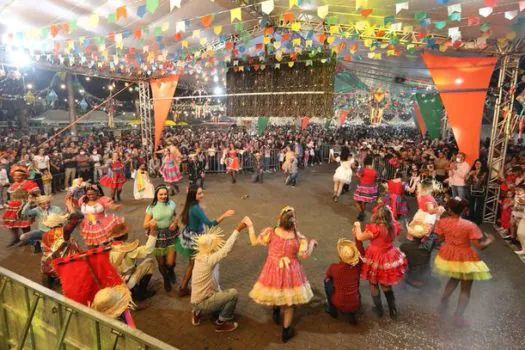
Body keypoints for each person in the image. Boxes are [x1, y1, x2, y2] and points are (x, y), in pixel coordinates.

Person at [248, 206, 317, 343]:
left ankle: (275, 310)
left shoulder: (271, 232)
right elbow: (305, 255)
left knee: (276, 288)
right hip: (291, 270)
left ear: (280, 219)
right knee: (289, 302)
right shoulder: (298, 237)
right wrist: (312, 244)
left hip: (272, 268)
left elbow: (254, 241)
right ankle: (286, 331)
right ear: (293, 221)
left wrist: (250, 226)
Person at [434, 198, 493, 326]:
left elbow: (440, 238)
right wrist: (489, 240)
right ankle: (458, 316)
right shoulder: (469, 225)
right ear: (464, 210)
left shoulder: (442, 222)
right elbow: (480, 246)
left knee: (454, 279)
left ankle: (442, 303)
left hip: (449, 255)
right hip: (465, 257)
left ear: (449, 209)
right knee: (465, 288)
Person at [191, 218, 253, 332]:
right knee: (233, 294)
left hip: (196, 299)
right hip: (203, 301)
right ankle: (221, 323)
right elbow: (226, 249)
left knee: (218, 290)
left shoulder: (199, 256)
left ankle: (196, 312)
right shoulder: (209, 260)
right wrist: (237, 229)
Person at [177, 185, 235, 297]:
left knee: (193, 264)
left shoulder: (191, 205)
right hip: (196, 239)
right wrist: (224, 215)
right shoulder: (195, 208)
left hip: (190, 235)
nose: (202, 195)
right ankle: (190, 288)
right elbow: (210, 224)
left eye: (201, 192)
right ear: (193, 195)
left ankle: (184, 287)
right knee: (196, 264)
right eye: (199, 193)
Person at [353, 205, 407, 319]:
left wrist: (357, 225)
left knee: (373, 283)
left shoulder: (375, 229)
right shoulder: (394, 226)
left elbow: (359, 237)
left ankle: (379, 310)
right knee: (386, 284)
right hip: (389, 256)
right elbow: (392, 219)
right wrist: (389, 212)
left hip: (375, 257)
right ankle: (393, 310)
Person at [108, 224, 157, 302]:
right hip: (128, 281)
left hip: (116, 281)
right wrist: (153, 232)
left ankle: (133, 290)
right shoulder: (127, 249)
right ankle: (140, 293)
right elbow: (148, 250)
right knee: (150, 263)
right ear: (125, 235)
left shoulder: (109, 247)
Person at [143, 185, 178, 293]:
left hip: (171, 234)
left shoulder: (171, 204)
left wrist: (175, 223)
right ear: (156, 195)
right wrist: (151, 223)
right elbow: (145, 225)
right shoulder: (151, 207)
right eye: (160, 194)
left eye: (165, 194)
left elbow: (175, 216)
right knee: (161, 263)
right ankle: (166, 279)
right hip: (157, 236)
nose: (163, 196)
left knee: (170, 263)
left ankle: (171, 270)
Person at [324, 238, 364, 325]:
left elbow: (328, 276)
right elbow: (361, 251)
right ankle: (352, 314)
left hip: (338, 302)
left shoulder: (334, 267)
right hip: (355, 302)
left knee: (327, 281)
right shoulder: (357, 266)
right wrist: (357, 239)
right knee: (354, 282)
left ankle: (332, 310)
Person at [40, 213, 81, 289]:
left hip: (48, 262)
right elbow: (73, 223)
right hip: (63, 261)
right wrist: (73, 213)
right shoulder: (63, 231)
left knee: (49, 276)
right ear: (60, 223)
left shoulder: (45, 234)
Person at [2, 165, 41, 246]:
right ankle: (15, 237)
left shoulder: (28, 183)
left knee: (24, 224)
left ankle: (26, 238)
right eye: (15, 176)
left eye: (19, 175)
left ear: (23, 176)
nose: (16, 177)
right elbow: (11, 195)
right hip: (12, 206)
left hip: (23, 206)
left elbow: (37, 193)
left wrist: (32, 194)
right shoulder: (13, 185)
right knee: (11, 223)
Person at [400, 213, 436, 288]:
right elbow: (433, 237)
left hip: (411, 274)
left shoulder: (404, 247)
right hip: (423, 274)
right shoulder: (428, 247)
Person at [353, 156, 377, 221]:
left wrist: (357, 175)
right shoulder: (374, 171)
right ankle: (362, 213)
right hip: (370, 189)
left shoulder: (363, 169)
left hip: (362, 187)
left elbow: (358, 175)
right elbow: (375, 180)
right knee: (364, 202)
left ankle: (361, 213)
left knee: (357, 201)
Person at [466, 159, 488, 225]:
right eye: (476, 164)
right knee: (471, 205)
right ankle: (471, 218)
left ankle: (478, 220)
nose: (477, 165)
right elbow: (466, 181)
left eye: (479, 164)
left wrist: (474, 175)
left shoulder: (484, 173)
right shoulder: (472, 171)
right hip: (472, 190)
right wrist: (469, 175)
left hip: (480, 191)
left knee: (479, 206)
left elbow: (479, 182)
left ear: (482, 165)